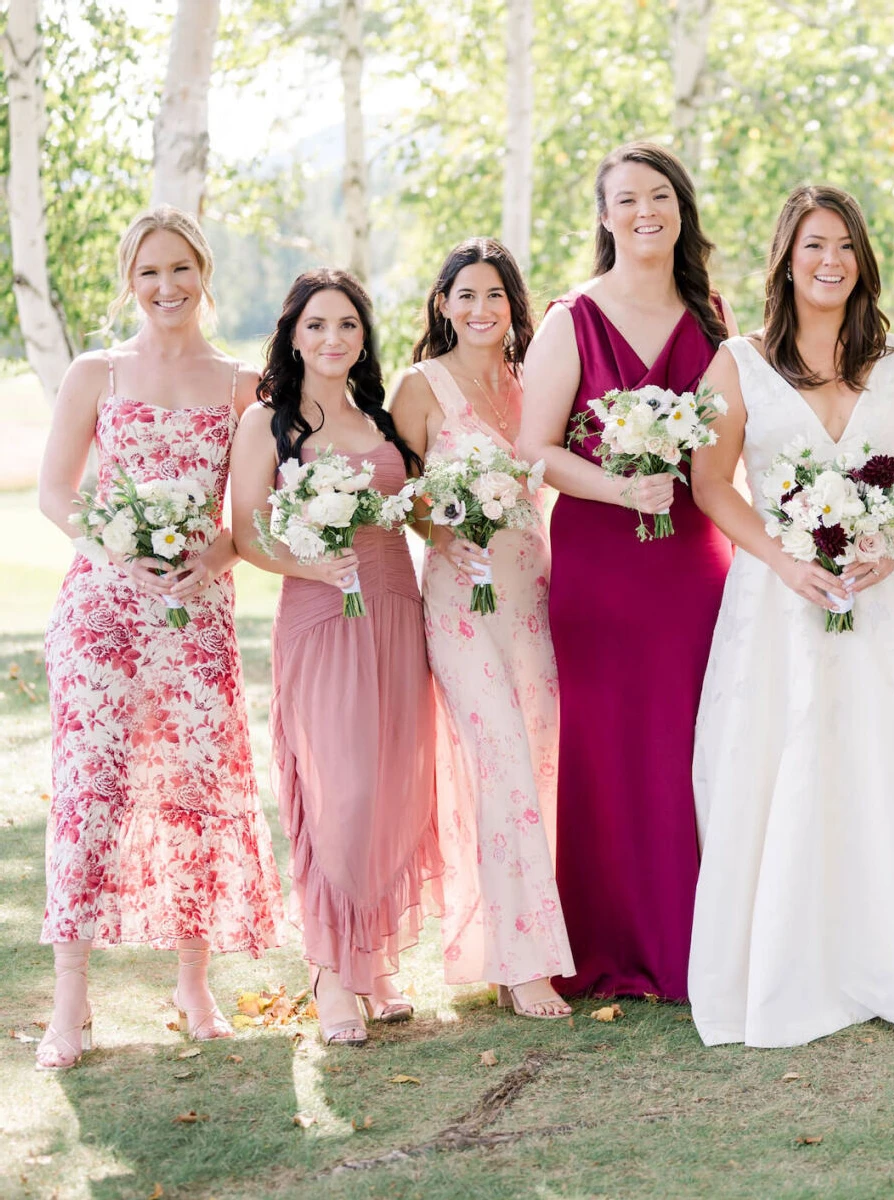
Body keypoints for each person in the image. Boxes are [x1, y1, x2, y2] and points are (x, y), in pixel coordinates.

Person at [685, 185, 894, 1047]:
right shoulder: (738, 361)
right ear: (786, 258)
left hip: (877, 591)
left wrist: (890, 548)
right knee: (779, 762)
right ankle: (788, 971)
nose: (831, 262)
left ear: (862, 263)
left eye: (846, 248)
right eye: (814, 246)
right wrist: (784, 561)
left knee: (880, 762)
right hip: (778, 595)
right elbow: (711, 481)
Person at [35, 207, 281, 1069]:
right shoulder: (94, 374)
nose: (166, 287)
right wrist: (115, 548)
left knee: (192, 793)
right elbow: (57, 494)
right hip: (103, 613)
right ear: (129, 280)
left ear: (204, 272)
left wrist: (218, 549)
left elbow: (250, 514)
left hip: (195, 613)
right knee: (91, 792)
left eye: (181, 269)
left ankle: (193, 983)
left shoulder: (245, 384)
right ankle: (71, 1005)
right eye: (150, 273)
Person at [515, 142, 735, 1002]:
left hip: (689, 560)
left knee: (690, 745)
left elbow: (729, 442)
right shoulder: (572, 318)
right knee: (608, 752)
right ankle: (608, 941)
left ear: (680, 210)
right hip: (602, 567)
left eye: (661, 196)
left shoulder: (712, 315)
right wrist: (617, 484)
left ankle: (693, 945)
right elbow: (533, 450)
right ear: (604, 218)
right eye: (627, 199)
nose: (646, 211)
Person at [231, 269, 439, 1046]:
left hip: (395, 610)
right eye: (316, 325)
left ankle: (375, 960)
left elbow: (414, 513)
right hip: (321, 616)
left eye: (347, 324)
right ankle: (329, 972)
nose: (332, 338)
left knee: (392, 787)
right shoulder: (268, 424)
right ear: (292, 334)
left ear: (363, 336)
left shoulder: (379, 418)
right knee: (339, 792)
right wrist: (308, 566)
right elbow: (248, 534)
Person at [393, 238, 573, 1019]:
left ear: (513, 306)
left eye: (494, 295)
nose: (480, 309)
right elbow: (397, 492)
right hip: (461, 600)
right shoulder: (420, 385)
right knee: (499, 757)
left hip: (532, 591)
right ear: (442, 304)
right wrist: (442, 531)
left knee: (538, 761)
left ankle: (523, 940)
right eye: (465, 295)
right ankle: (523, 960)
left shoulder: (531, 383)